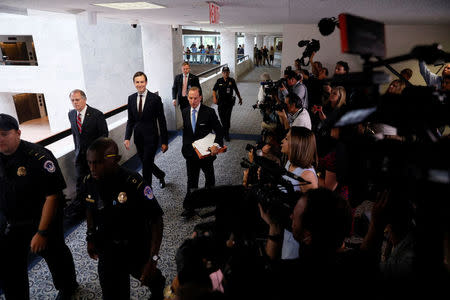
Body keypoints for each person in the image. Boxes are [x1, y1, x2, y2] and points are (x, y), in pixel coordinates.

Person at [0, 114, 78, 300]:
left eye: (4, 134)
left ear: (18, 133)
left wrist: (42, 232)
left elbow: (52, 196)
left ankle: (68, 287)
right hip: (12, 224)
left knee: (56, 256)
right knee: (11, 267)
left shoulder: (38, 157)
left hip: (42, 220)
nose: (0, 139)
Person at [83, 138, 165, 300]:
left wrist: (153, 259)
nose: (92, 168)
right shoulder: (89, 181)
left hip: (135, 246)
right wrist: (90, 236)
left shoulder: (134, 183)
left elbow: (157, 220)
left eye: (98, 162)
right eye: (90, 162)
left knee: (153, 280)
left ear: (116, 159)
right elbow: (90, 208)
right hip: (107, 249)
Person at [181, 87, 224, 218]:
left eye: (195, 98)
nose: (192, 101)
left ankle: (208, 202)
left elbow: (219, 131)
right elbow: (187, 133)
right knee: (191, 181)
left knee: (209, 179)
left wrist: (216, 145)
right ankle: (189, 208)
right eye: (190, 98)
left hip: (206, 154)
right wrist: (185, 149)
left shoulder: (209, 112)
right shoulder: (185, 111)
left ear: (200, 98)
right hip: (191, 154)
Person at [68, 89, 108, 220]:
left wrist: (97, 155)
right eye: (73, 100)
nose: (75, 103)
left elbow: (104, 137)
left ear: (84, 99)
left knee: (97, 182)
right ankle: (83, 208)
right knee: (81, 182)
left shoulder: (97, 115)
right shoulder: (71, 114)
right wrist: (77, 151)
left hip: (94, 158)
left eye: (77, 100)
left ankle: (102, 206)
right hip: (80, 156)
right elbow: (75, 136)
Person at [124, 71, 168, 188]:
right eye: (137, 82)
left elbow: (162, 121)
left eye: (142, 82)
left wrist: (164, 141)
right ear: (134, 83)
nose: (140, 84)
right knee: (146, 162)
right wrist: (127, 137)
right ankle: (160, 174)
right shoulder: (131, 98)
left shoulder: (155, 99)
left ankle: (147, 192)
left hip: (151, 138)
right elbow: (130, 120)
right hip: (138, 138)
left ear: (146, 82)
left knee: (146, 166)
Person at [212, 66, 243, 141]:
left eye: (227, 72)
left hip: (229, 103)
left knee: (227, 118)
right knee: (222, 118)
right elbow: (214, 90)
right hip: (221, 103)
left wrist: (240, 98)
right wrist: (214, 98)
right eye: (224, 72)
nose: (225, 74)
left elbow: (236, 90)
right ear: (222, 73)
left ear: (229, 73)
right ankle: (224, 130)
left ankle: (226, 134)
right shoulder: (219, 81)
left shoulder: (232, 80)